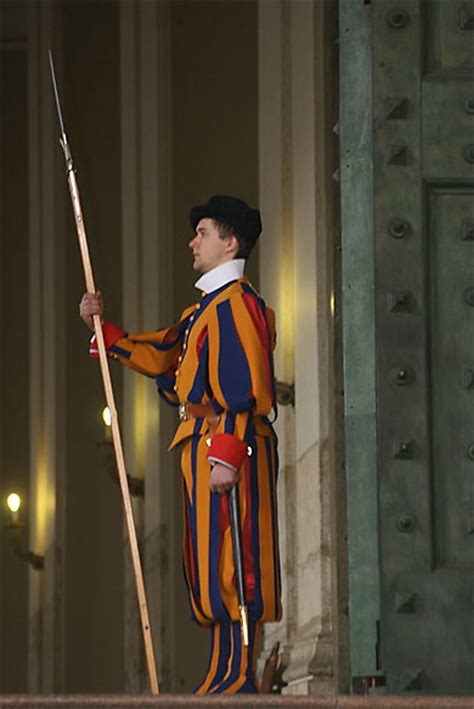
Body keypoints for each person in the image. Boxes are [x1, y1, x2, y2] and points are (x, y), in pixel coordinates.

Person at [80, 195, 282, 694]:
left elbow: (241, 386)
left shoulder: (237, 304)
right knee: (209, 565)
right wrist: (103, 330)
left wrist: (228, 455)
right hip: (201, 445)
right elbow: (165, 354)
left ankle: (238, 674)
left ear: (230, 242)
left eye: (204, 233)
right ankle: (221, 668)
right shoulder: (203, 312)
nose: (193, 242)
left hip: (226, 446)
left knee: (237, 561)